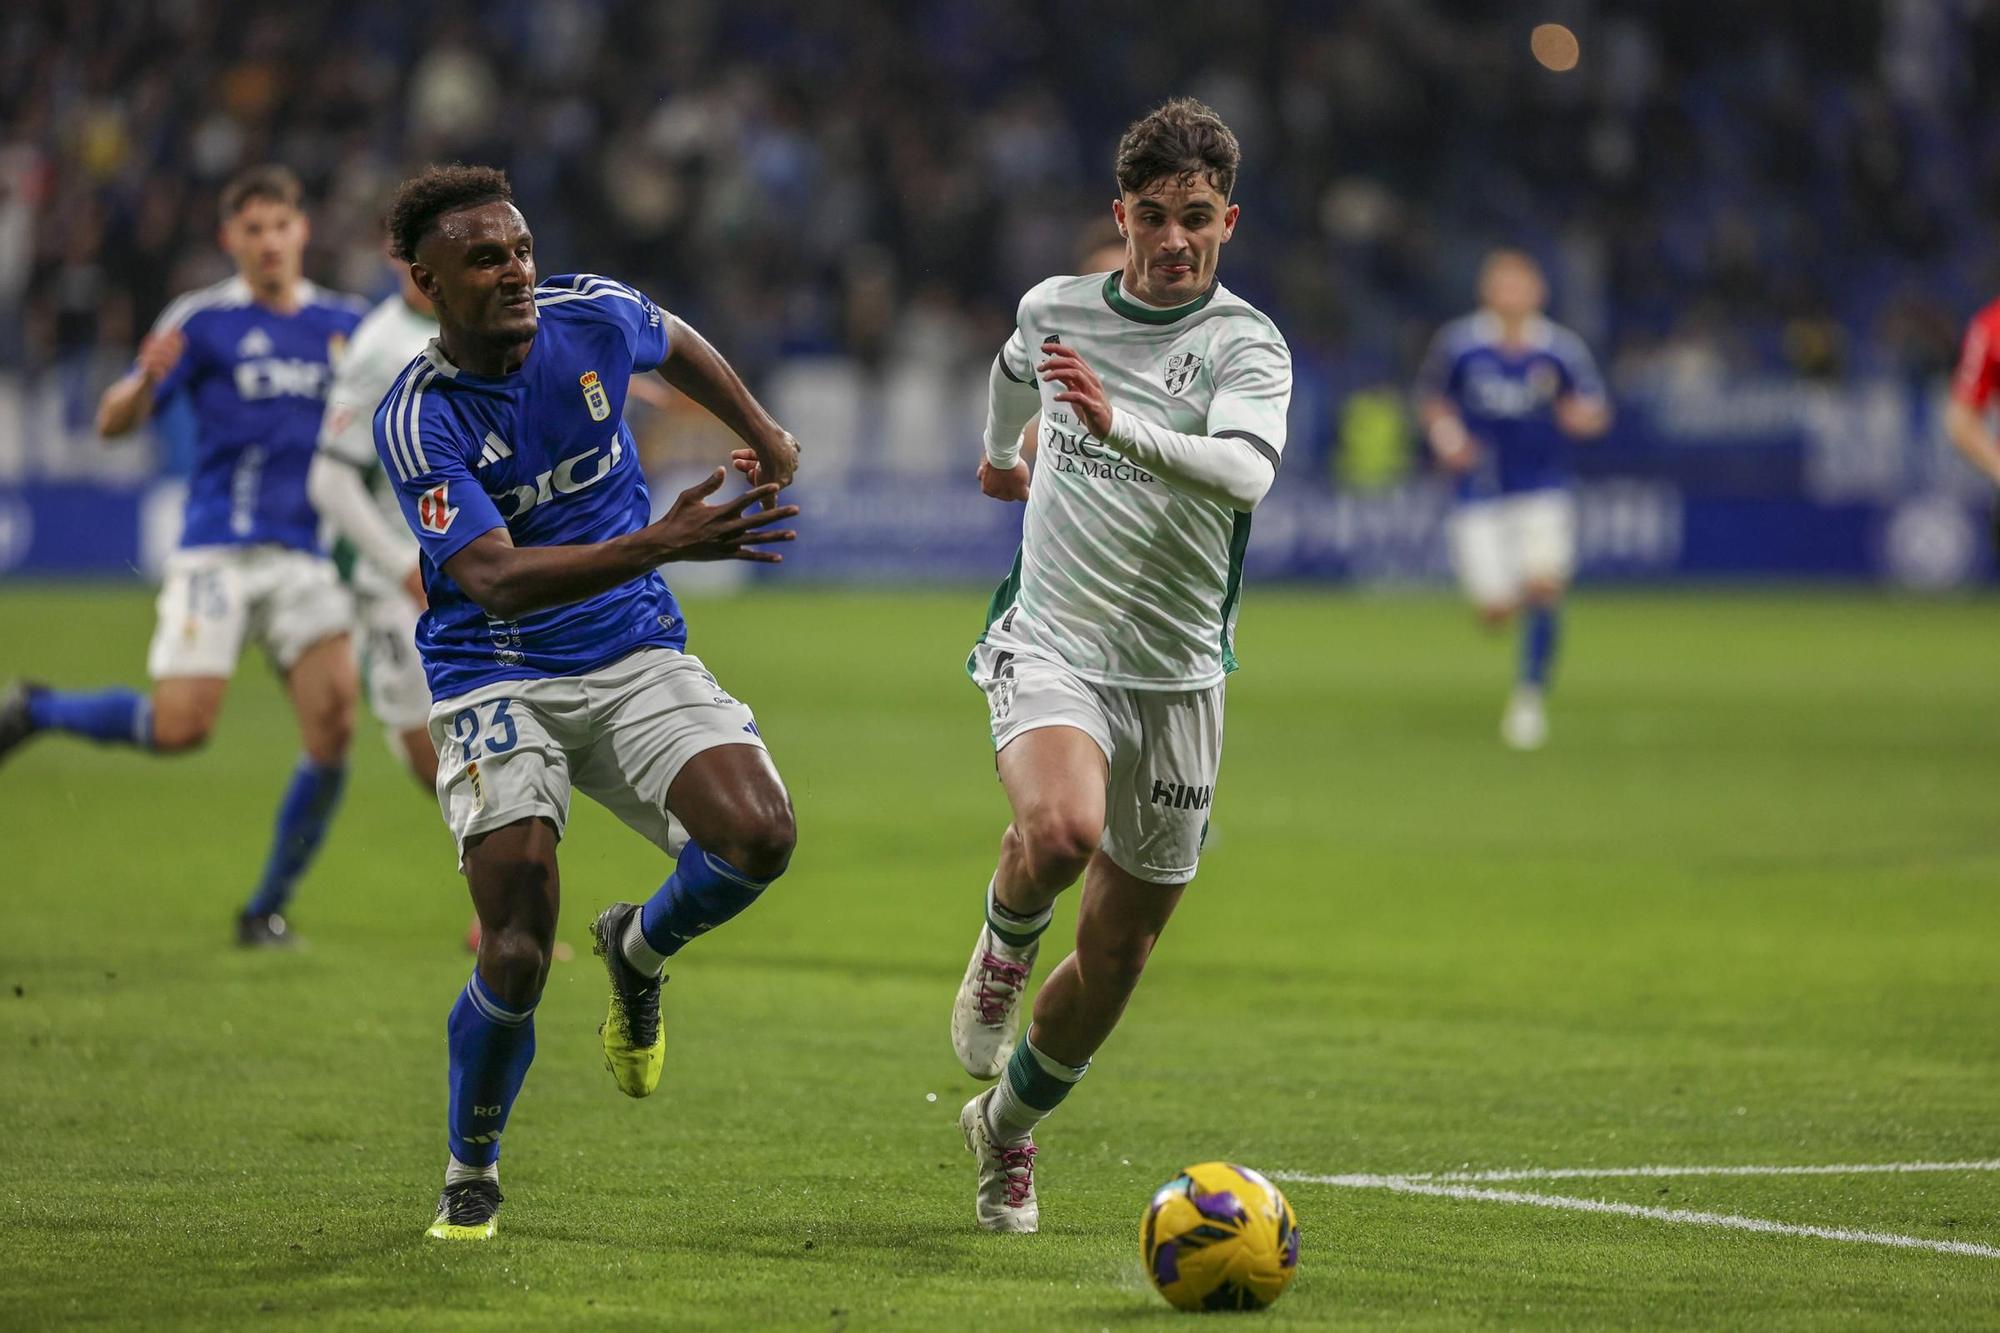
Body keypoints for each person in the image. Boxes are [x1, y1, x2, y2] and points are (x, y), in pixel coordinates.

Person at [370, 165, 801, 1242]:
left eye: (517, 248)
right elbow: (494, 577)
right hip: (495, 668)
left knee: (759, 837)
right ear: (426, 281)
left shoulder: (590, 313)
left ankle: (639, 949)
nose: (513, 270)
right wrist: (662, 538)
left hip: (629, 648)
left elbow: (672, 336)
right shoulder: (418, 420)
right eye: (483, 257)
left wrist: (761, 424)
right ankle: (472, 1167)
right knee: (515, 944)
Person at [950, 98, 1292, 1233]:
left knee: (1119, 956)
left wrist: (1110, 427)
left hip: (1180, 675)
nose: (1173, 239)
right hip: (1053, 636)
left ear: (1226, 220)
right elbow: (1012, 371)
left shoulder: (1246, 344)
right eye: (1152, 217)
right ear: (1121, 215)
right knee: (1058, 833)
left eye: (1195, 218)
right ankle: (1001, 947)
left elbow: (1242, 474)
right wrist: (1002, 455)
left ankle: (1001, 1129)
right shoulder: (1055, 309)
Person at [0, 165, 368, 947]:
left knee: (334, 725)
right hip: (217, 554)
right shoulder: (202, 322)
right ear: (230, 239)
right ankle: (37, 708)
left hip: (305, 557)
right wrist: (139, 391)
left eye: (280, 225)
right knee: (180, 729)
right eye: (252, 229)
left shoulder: (347, 323)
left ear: (302, 230)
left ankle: (265, 907)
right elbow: (112, 420)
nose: (268, 242)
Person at [1415, 249, 1611, 750]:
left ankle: (1528, 701)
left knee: (1545, 587)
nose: (1510, 294)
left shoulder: (1559, 350)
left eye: (1519, 285)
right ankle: (1522, 594)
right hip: (1478, 494)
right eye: (1501, 284)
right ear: (1488, 291)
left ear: (1536, 292)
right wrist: (1446, 437)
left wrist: (1580, 417)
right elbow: (1433, 400)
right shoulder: (1460, 345)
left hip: (1542, 490)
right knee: (1496, 612)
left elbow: (1594, 408)